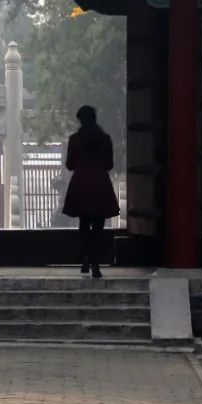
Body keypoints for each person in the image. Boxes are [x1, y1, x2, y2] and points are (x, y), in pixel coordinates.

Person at [61, 105, 119, 278]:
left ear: (80, 120)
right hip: (100, 184)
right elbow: (109, 164)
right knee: (99, 226)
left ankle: (85, 258)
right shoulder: (105, 139)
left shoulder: (75, 140)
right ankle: (96, 264)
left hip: (81, 185)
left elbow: (70, 165)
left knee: (84, 224)